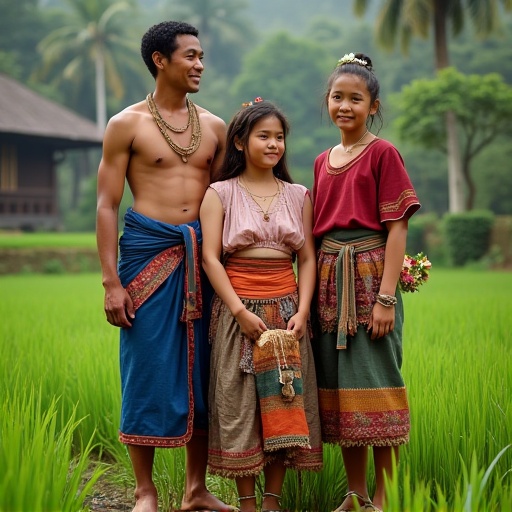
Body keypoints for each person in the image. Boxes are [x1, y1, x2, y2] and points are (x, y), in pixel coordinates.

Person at [96, 20, 236, 512]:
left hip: (202, 258)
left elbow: (225, 199)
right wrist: (112, 282)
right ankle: (144, 490)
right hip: (146, 255)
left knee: (204, 371)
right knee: (147, 369)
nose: (199, 65)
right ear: (160, 60)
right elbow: (107, 204)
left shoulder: (216, 127)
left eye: (201, 57)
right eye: (190, 56)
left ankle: (196, 491)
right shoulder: (126, 124)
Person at [200, 99, 323, 512]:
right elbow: (210, 258)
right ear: (239, 140)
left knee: (284, 405)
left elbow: (306, 258)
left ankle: (272, 503)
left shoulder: (298, 194)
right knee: (241, 406)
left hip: (287, 313)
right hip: (240, 314)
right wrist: (238, 310)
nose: (274, 144)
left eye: (280, 137)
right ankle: (247, 504)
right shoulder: (220, 193)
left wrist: (303, 310)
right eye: (264, 136)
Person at [311, 53, 421, 512]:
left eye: (356, 99)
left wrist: (385, 298)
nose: (345, 106)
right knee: (339, 395)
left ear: (373, 105)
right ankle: (354, 495)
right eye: (338, 97)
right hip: (329, 280)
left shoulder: (383, 153)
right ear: (328, 102)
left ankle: (384, 496)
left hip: (371, 275)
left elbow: (397, 226)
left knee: (377, 384)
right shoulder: (321, 161)